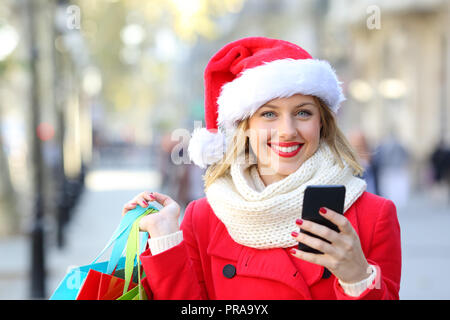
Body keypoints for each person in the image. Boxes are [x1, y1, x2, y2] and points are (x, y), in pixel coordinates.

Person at [121, 37, 401, 300]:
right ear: (245, 127)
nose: (287, 131)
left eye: (303, 112)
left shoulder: (373, 216)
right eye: (269, 114)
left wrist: (358, 279)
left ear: (322, 123)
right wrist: (166, 239)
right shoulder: (204, 218)